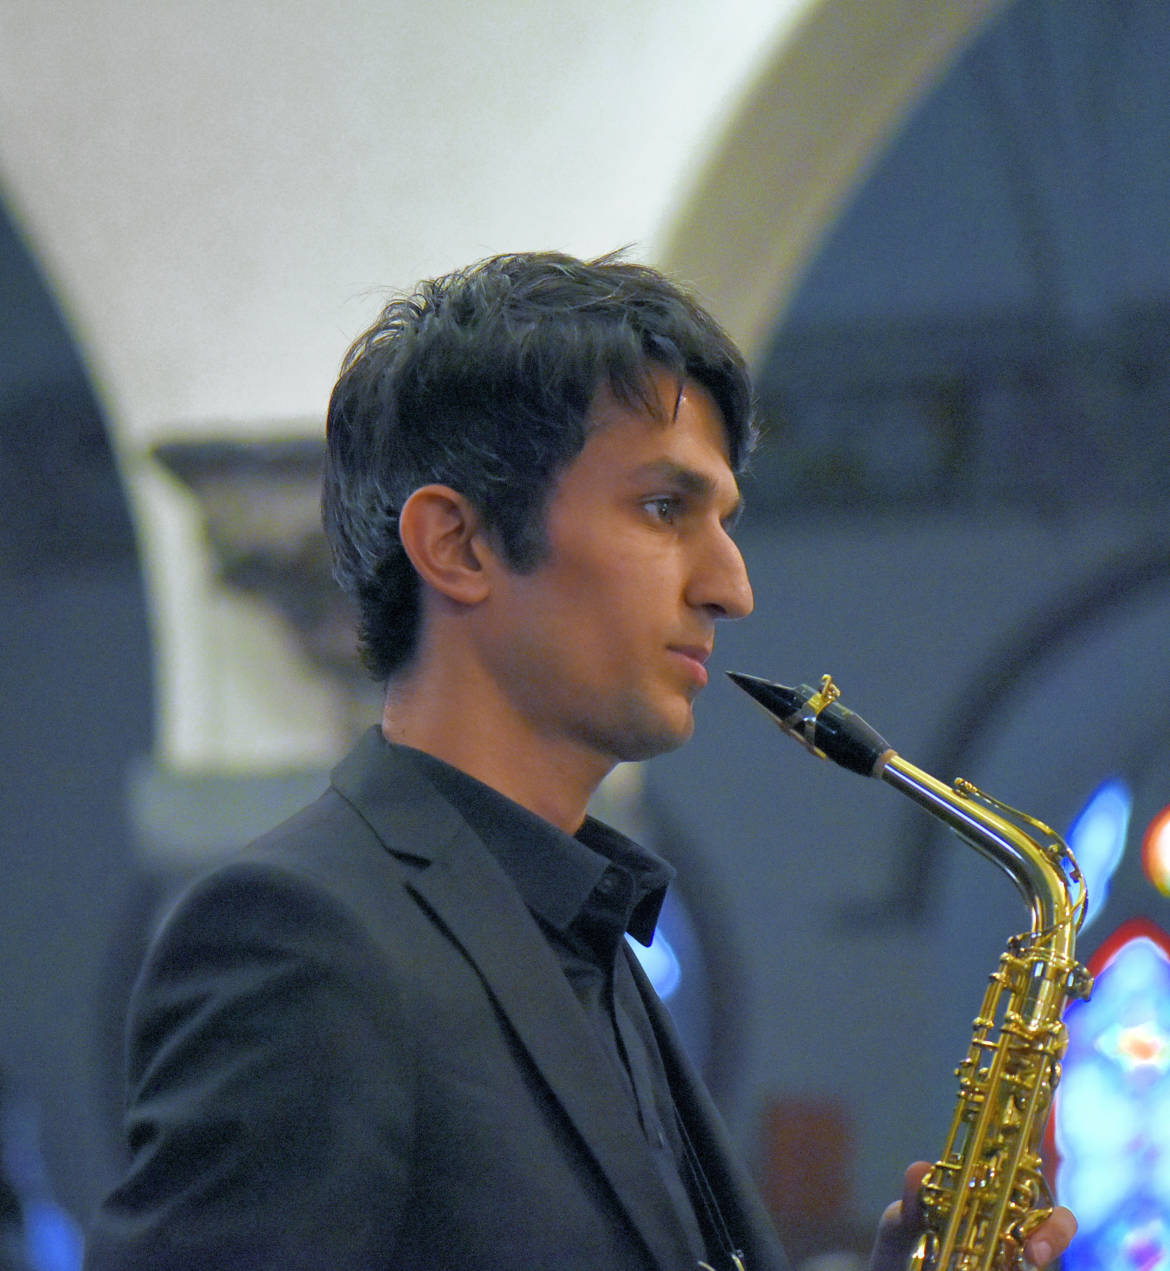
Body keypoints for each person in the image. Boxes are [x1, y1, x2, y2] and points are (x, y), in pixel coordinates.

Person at [84, 252, 1076, 1270]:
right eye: (665, 508)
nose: (731, 587)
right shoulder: (305, 939)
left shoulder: (576, 932)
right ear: (458, 543)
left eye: (724, 521)